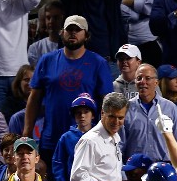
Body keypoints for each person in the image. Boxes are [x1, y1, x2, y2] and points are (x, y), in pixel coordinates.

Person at [24, 15, 113, 171]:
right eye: (69, 30)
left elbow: (107, 102)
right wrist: (27, 132)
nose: (73, 33)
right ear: (61, 32)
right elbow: (34, 99)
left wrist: (105, 135)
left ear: (86, 35)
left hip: (86, 139)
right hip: (52, 138)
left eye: (78, 30)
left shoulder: (98, 63)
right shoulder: (47, 60)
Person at [121, 63, 177, 162]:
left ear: (156, 83)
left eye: (147, 78)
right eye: (139, 78)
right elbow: (120, 144)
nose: (143, 82)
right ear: (135, 82)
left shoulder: (170, 108)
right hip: (134, 170)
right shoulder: (126, 108)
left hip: (163, 168)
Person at [52, 93, 97, 181]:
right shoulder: (66, 138)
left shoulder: (100, 136)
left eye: (86, 112)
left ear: (93, 115)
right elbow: (58, 165)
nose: (82, 116)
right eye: (78, 113)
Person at [27, 0, 63, 68]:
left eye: (56, 17)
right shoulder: (35, 48)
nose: (51, 21)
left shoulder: (71, 46)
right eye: (48, 18)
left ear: (62, 18)